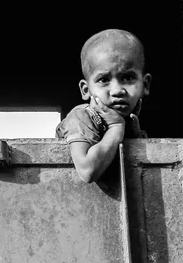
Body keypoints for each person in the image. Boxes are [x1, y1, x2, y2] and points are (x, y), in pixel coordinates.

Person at [57, 29, 150, 183]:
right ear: (86, 90)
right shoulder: (81, 116)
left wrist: (135, 135)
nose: (117, 90)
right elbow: (87, 171)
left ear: (145, 85)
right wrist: (116, 128)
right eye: (103, 80)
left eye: (128, 78)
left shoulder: (130, 121)